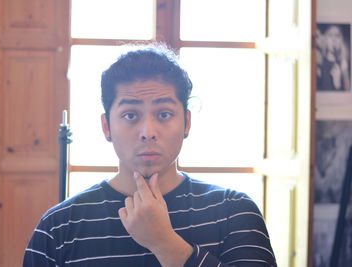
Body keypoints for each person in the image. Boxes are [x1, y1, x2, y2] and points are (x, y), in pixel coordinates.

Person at [23, 44, 277, 266]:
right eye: (130, 115)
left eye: (164, 114)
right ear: (106, 126)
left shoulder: (234, 211)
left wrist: (164, 243)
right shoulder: (58, 226)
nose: (148, 132)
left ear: (186, 122)